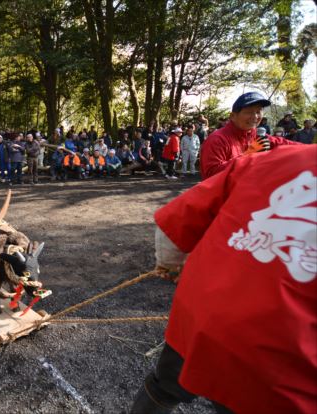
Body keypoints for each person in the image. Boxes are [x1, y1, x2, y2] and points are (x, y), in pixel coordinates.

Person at [130, 144, 317, 414]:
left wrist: (169, 265)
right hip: (280, 353)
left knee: (166, 386)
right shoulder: (251, 150)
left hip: (202, 313)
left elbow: (178, 219)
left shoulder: (274, 158)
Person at [200, 92, 300, 180]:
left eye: (258, 111)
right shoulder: (217, 139)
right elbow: (211, 176)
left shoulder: (259, 136)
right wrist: (248, 155)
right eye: (249, 112)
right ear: (233, 116)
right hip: (227, 199)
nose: (255, 117)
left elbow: (286, 145)